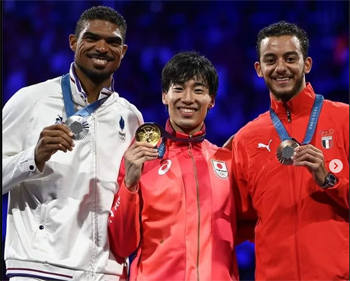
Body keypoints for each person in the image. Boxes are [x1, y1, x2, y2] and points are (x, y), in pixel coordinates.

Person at [2, 6, 143, 281]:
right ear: (73, 42)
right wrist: (33, 157)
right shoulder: (31, 100)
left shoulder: (131, 117)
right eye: (91, 38)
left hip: (106, 272)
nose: (102, 48)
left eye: (112, 42)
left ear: (123, 52)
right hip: (39, 266)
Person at [224, 21, 349, 280]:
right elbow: (236, 221)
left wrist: (329, 181)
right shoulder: (246, 139)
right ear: (259, 69)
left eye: (290, 58)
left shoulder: (344, 120)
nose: (281, 68)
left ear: (307, 64)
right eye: (271, 60)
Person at [108, 51, 241, 280]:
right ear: (165, 96)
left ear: (212, 100)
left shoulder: (227, 162)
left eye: (198, 90)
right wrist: (129, 184)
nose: (187, 98)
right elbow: (121, 245)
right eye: (178, 88)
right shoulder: (140, 158)